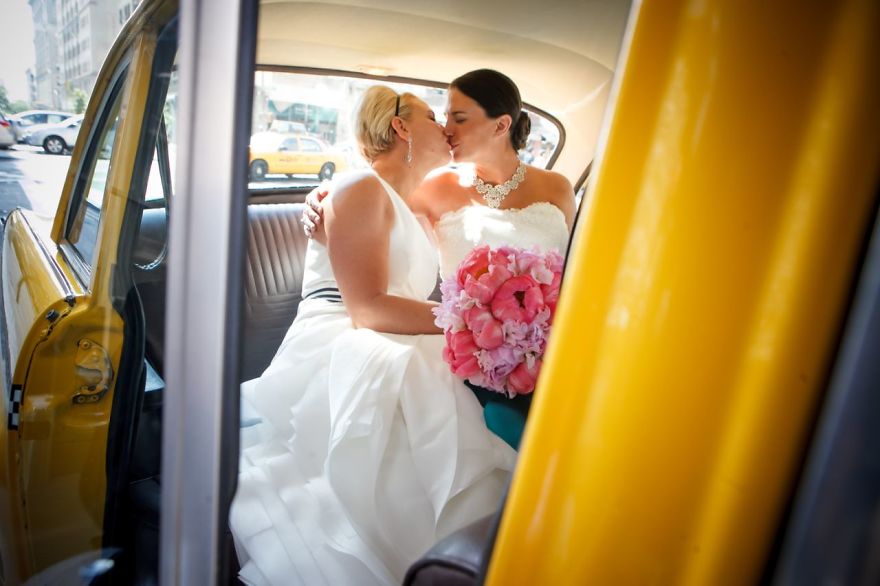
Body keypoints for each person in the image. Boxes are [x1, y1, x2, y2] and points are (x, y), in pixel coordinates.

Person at [229, 86, 516, 586]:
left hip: (402, 332)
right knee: (403, 382)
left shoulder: (414, 209)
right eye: (432, 116)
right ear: (401, 127)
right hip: (346, 333)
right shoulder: (358, 188)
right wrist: (473, 320)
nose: (444, 127)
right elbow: (366, 307)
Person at [303, 69, 576, 448]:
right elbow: (376, 194)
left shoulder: (558, 188)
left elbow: (578, 270)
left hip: (557, 346)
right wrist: (320, 195)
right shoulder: (435, 188)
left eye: (458, 118)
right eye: (442, 117)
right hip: (472, 353)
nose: (447, 128)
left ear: (501, 126)